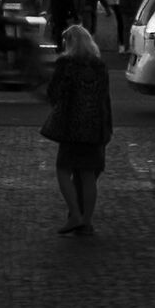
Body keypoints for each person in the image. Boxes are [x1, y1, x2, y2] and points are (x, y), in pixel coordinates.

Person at [44, 26, 112, 235]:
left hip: (71, 126)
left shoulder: (66, 64)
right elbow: (105, 99)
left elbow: (54, 93)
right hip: (94, 127)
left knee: (63, 169)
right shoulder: (99, 66)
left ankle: (75, 214)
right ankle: (87, 220)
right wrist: (106, 127)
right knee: (88, 174)